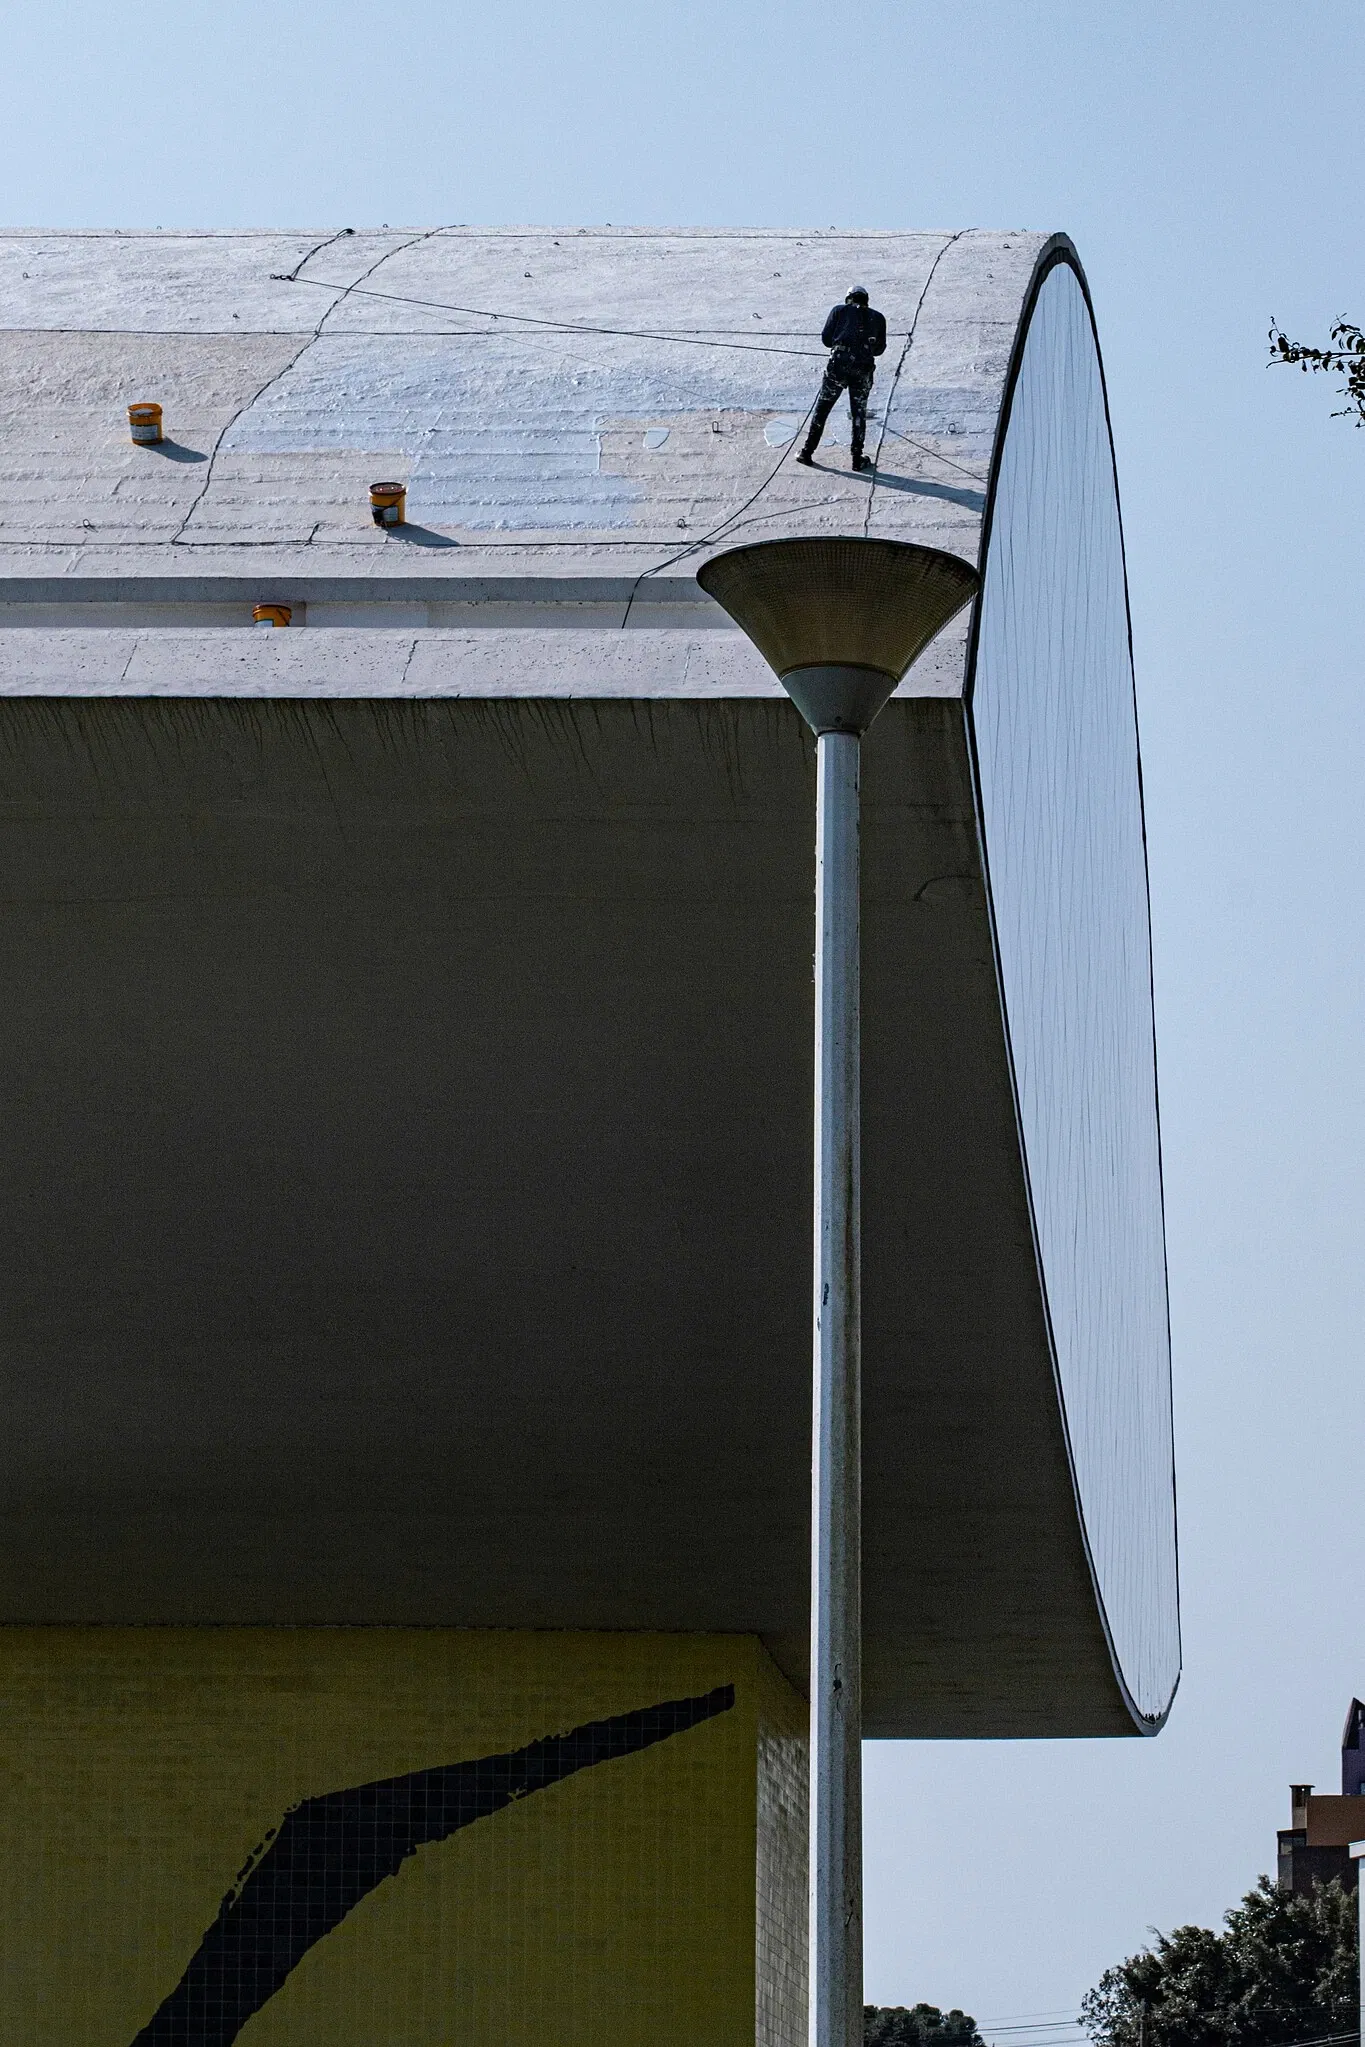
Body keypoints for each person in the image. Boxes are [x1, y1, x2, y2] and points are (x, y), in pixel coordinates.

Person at [797, 286, 887, 471]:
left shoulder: (839, 310)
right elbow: (879, 349)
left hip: (838, 365)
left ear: (849, 298)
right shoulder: (878, 317)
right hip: (862, 368)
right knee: (858, 413)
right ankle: (856, 458)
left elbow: (826, 340)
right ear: (866, 300)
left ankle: (807, 452)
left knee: (823, 409)